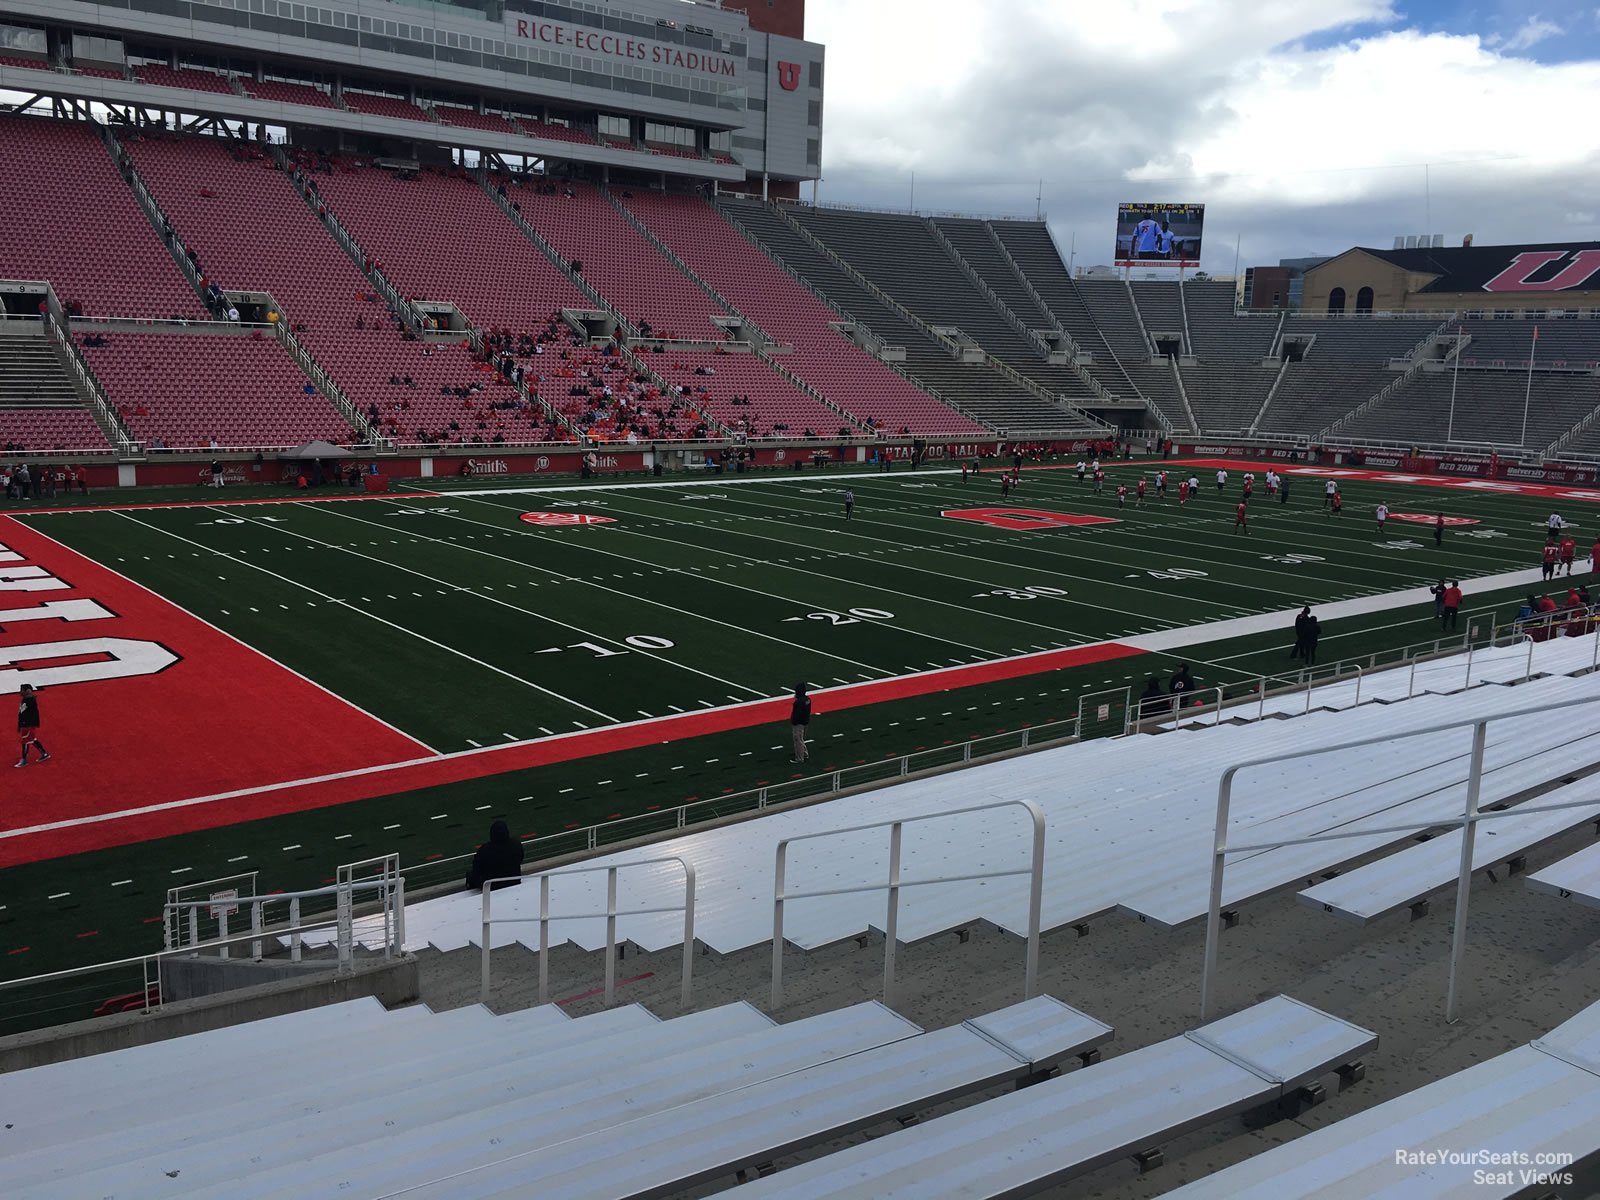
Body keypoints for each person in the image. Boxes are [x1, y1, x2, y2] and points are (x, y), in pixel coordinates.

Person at [464, 819, 523, 891]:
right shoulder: (516, 845)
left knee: (470, 875)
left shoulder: (485, 850)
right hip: (514, 880)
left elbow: (477, 868)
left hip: (491, 885)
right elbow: (520, 859)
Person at [14, 683, 48, 767]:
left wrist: (26, 724)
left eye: (22, 690)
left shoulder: (30, 701)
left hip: (28, 724)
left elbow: (33, 714)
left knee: (25, 741)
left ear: (27, 691)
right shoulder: (25, 700)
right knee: (32, 739)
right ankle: (44, 753)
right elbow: (21, 713)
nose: (20, 692)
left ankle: (24, 760)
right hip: (25, 724)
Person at [789, 684, 811, 763]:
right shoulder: (807, 699)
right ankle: (804, 753)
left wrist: (793, 721)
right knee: (801, 739)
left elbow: (797, 714)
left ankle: (800, 758)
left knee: (798, 740)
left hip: (799, 723)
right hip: (805, 722)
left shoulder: (798, 702)